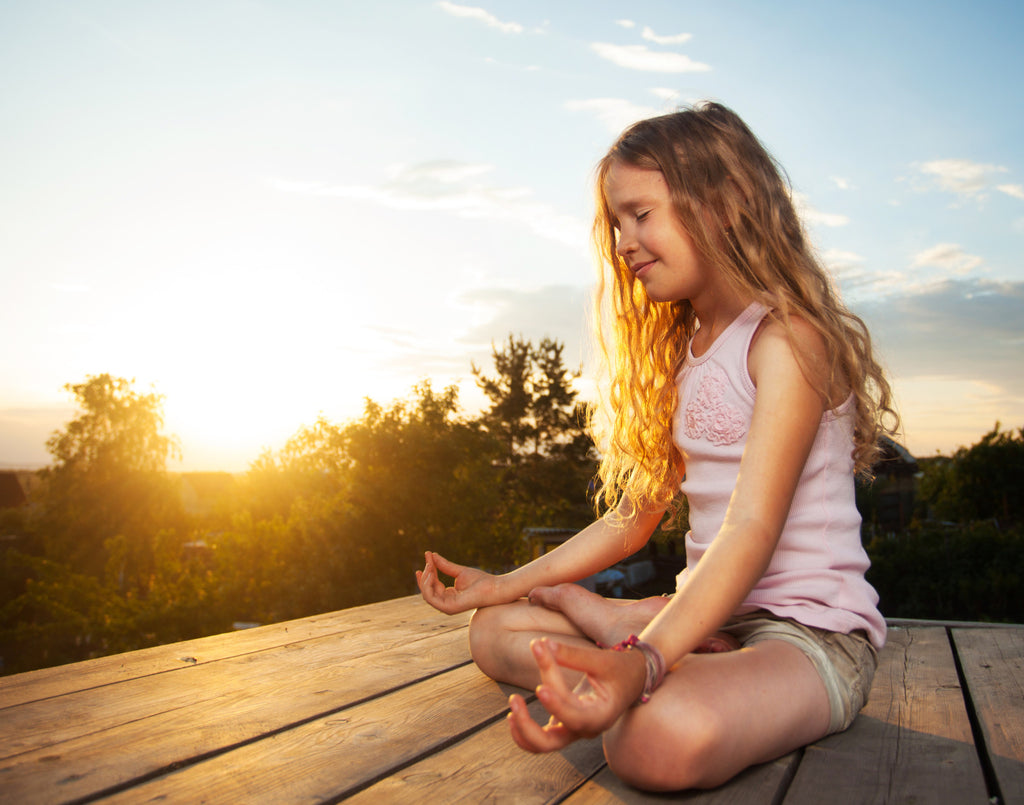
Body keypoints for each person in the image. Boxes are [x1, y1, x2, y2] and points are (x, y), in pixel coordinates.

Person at [416, 101, 897, 792]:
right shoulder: (683, 354)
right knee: (493, 631)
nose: (623, 243)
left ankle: (634, 634)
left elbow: (750, 528)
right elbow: (632, 518)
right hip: (707, 621)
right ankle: (642, 629)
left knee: (648, 736)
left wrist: (642, 661)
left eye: (641, 214)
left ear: (725, 204)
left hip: (807, 637)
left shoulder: (788, 341)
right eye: (617, 224)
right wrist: (503, 583)